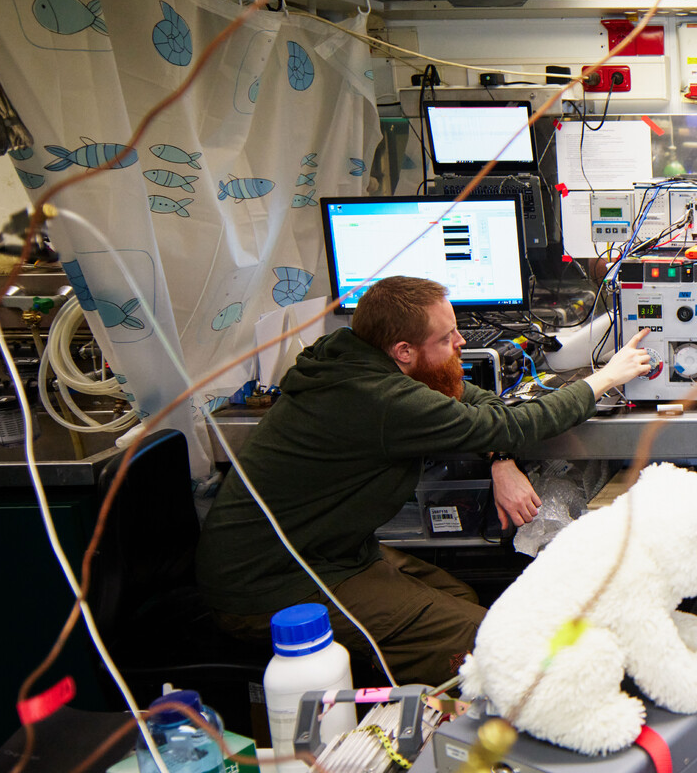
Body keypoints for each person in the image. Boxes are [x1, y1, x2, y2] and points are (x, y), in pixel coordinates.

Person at [195, 275, 652, 686]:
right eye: (447, 336)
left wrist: (499, 460)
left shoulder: (357, 358)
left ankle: (399, 679)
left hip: (329, 554)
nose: (460, 342)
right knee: (493, 644)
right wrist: (604, 379)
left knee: (459, 593)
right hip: (270, 585)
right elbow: (512, 425)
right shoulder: (381, 398)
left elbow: (482, 408)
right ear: (404, 352)